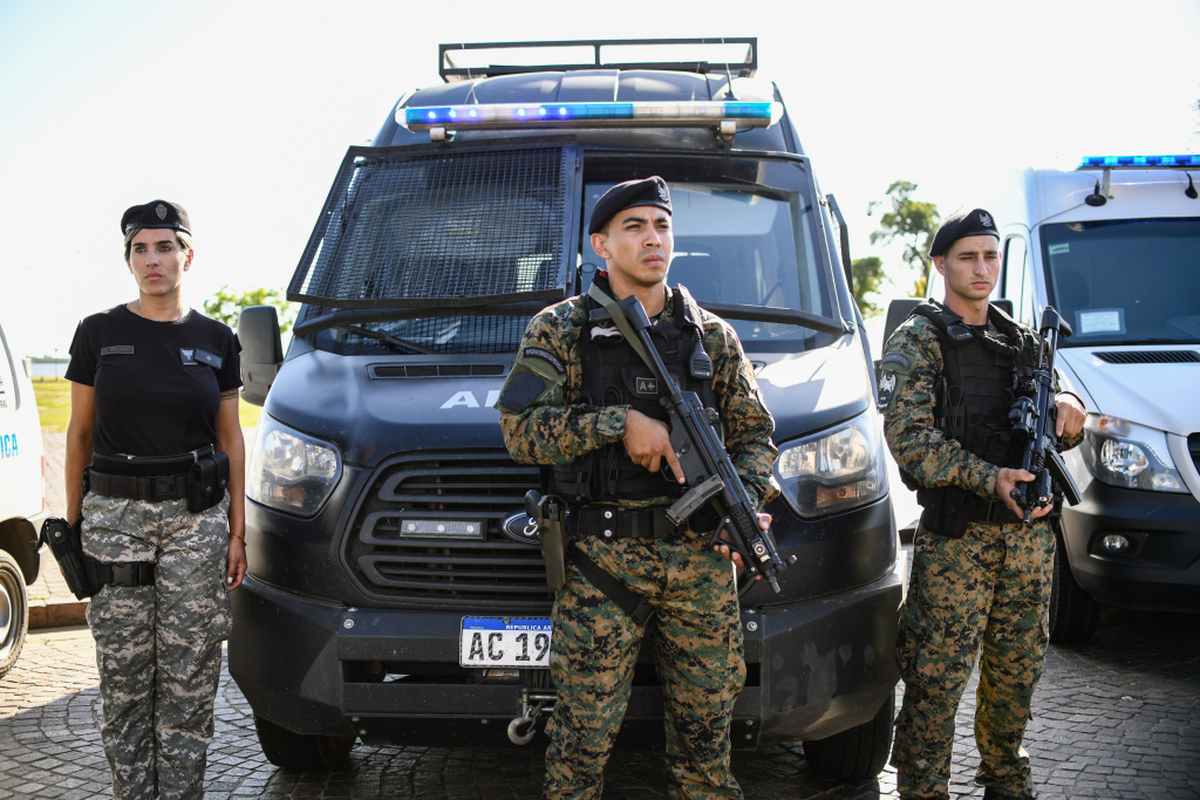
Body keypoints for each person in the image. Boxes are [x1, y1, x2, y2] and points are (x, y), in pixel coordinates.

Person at [496, 176, 779, 800]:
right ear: (600, 243)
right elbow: (519, 433)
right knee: (580, 746)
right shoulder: (561, 330)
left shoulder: (712, 336)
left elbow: (757, 437)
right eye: (634, 227)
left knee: (708, 749)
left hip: (702, 564)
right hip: (602, 566)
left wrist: (745, 501)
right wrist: (618, 424)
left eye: (662, 225)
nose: (653, 238)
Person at [878, 209, 1087, 800]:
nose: (981, 268)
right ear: (940, 265)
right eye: (968, 257)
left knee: (1016, 674)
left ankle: (1007, 781)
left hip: (1029, 542)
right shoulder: (918, 340)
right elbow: (911, 442)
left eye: (991, 256)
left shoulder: (1022, 341)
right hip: (958, 543)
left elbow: (1060, 425)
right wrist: (986, 477)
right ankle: (922, 790)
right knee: (935, 682)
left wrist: (1069, 409)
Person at [64, 200, 247, 800]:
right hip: (114, 520)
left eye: (165, 246)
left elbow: (230, 437)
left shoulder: (216, 338)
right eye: (140, 249)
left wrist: (238, 532)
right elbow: (80, 435)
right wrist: (71, 525)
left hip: (197, 524)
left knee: (190, 678)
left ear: (187, 255)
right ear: (128, 260)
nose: (153, 259)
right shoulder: (99, 333)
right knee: (123, 677)